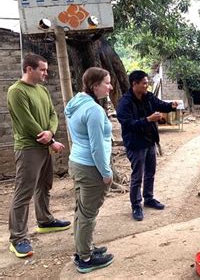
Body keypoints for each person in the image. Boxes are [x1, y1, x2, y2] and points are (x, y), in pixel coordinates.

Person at [7, 53, 70, 258]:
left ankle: (45, 220)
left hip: (45, 146)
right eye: (42, 69)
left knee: (45, 185)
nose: (46, 73)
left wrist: (50, 133)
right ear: (29, 69)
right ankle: (17, 238)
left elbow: (53, 114)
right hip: (28, 148)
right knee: (24, 192)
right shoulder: (16, 91)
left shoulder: (42, 90)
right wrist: (50, 140)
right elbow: (26, 123)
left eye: (46, 69)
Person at [64, 67, 114, 273]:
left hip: (77, 163)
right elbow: (97, 146)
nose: (110, 87)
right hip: (91, 167)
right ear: (95, 86)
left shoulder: (75, 103)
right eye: (107, 83)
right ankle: (84, 259)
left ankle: (84, 248)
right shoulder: (94, 110)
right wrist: (106, 172)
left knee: (81, 210)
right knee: (88, 214)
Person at [116, 70, 177, 221]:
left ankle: (148, 198)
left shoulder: (148, 96)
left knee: (150, 172)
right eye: (144, 83)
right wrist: (148, 120)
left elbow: (160, 104)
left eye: (147, 83)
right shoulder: (125, 102)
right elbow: (127, 124)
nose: (146, 85)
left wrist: (171, 106)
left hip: (149, 142)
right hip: (136, 144)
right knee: (137, 176)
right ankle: (136, 205)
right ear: (134, 84)